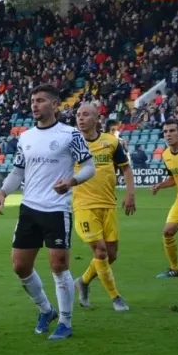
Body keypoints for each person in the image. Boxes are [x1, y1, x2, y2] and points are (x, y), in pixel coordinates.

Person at [0, 84, 95, 341]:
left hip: (57, 209)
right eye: (33, 101)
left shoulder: (70, 134)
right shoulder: (25, 137)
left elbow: (89, 166)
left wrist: (71, 182)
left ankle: (65, 322)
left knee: (58, 266)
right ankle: (46, 310)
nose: (34, 105)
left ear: (54, 104)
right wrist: (3, 192)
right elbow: (18, 171)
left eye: (40, 100)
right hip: (29, 209)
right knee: (20, 266)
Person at [71, 104, 134, 311]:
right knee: (100, 251)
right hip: (84, 205)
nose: (80, 118)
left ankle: (83, 281)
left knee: (111, 254)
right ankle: (116, 298)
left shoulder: (111, 142)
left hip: (108, 203)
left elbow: (126, 169)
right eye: (78, 115)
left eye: (85, 114)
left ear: (97, 118)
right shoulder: (71, 143)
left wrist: (130, 194)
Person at [150, 119, 178, 279]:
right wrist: (159, 186)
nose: (168, 134)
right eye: (165, 132)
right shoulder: (166, 155)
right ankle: (175, 269)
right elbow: (174, 179)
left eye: (172, 131)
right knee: (167, 232)